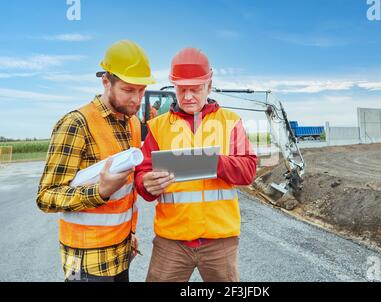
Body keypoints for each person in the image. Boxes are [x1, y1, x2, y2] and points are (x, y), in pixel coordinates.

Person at [36, 40, 155, 282]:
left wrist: (129, 233)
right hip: (84, 260)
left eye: (141, 90)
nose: (137, 99)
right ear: (106, 82)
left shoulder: (131, 122)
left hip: (120, 252)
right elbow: (46, 197)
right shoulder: (75, 124)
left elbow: (125, 195)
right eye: (128, 90)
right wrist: (100, 191)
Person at [135, 48, 257, 282]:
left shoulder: (230, 122)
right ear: (174, 88)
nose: (188, 96)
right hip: (172, 242)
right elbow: (142, 176)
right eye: (182, 89)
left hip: (219, 242)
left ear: (208, 86)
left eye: (195, 89)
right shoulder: (158, 126)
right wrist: (145, 182)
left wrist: (212, 161)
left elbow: (248, 170)